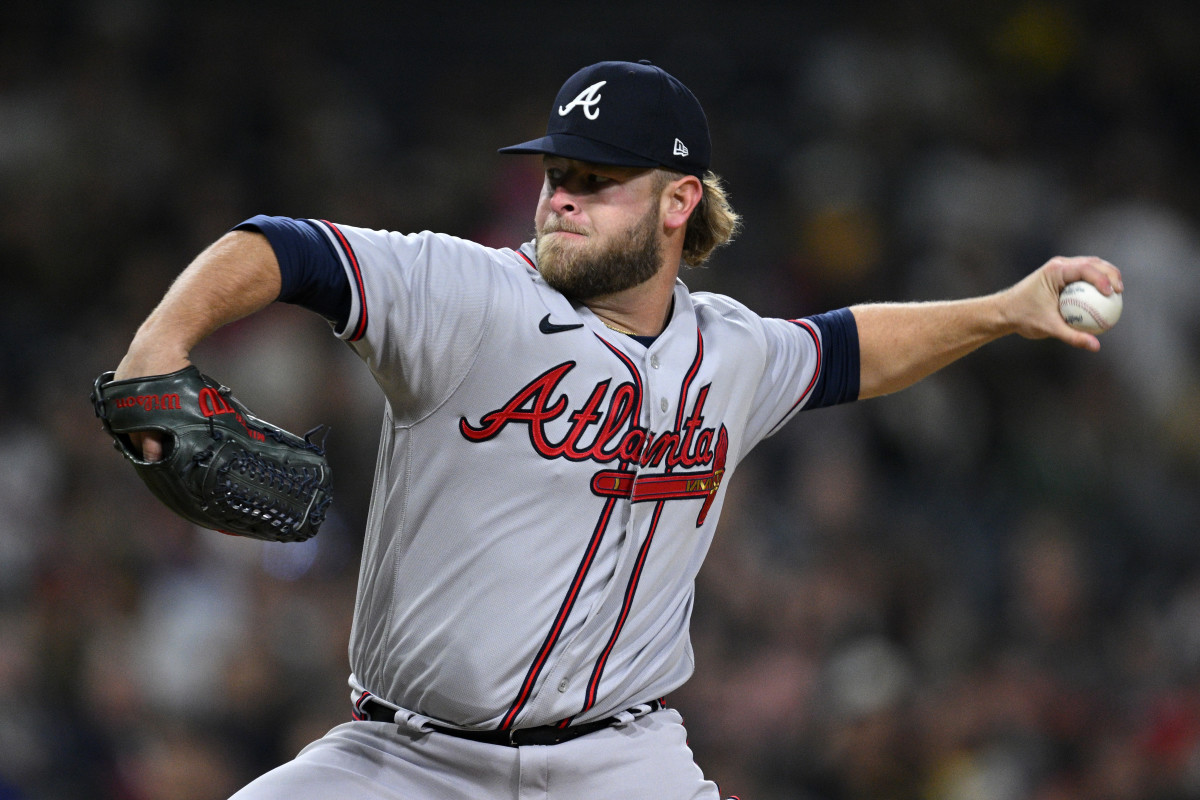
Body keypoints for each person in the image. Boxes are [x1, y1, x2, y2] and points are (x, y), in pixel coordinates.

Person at [113, 60, 1123, 800]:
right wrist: (162, 340)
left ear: (681, 201)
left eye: (597, 181)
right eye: (558, 173)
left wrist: (1003, 308)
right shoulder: (469, 293)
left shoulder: (731, 351)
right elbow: (283, 249)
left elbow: (852, 348)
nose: (561, 198)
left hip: (620, 762)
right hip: (406, 760)